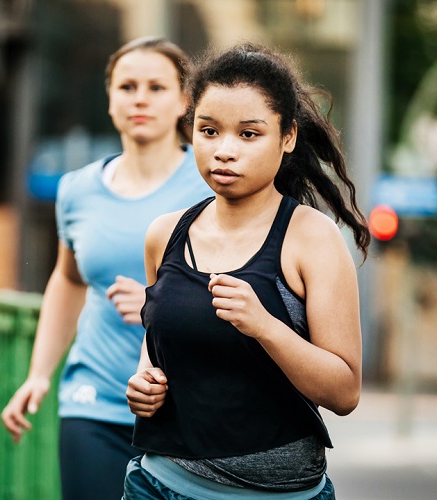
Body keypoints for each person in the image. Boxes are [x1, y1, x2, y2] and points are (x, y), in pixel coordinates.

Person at [123, 43, 370, 499]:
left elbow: (344, 392)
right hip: (158, 483)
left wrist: (265, 327)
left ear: (288, 137)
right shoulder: (164, 234)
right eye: (209, 131)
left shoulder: (312, 239)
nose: (225, 151)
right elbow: (158, 336)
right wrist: (144, 380)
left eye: (249, 134)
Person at [0, 36, 212, 500]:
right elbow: (68, 280)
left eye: (156, 87)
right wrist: (39, 374)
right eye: (126, 86)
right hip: (92, 400)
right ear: (110, 98)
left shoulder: (210, 187)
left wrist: (161, 304)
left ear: (184, 101)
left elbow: (243, 286)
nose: (139, 98)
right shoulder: (76, 190)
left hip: (185, 408)